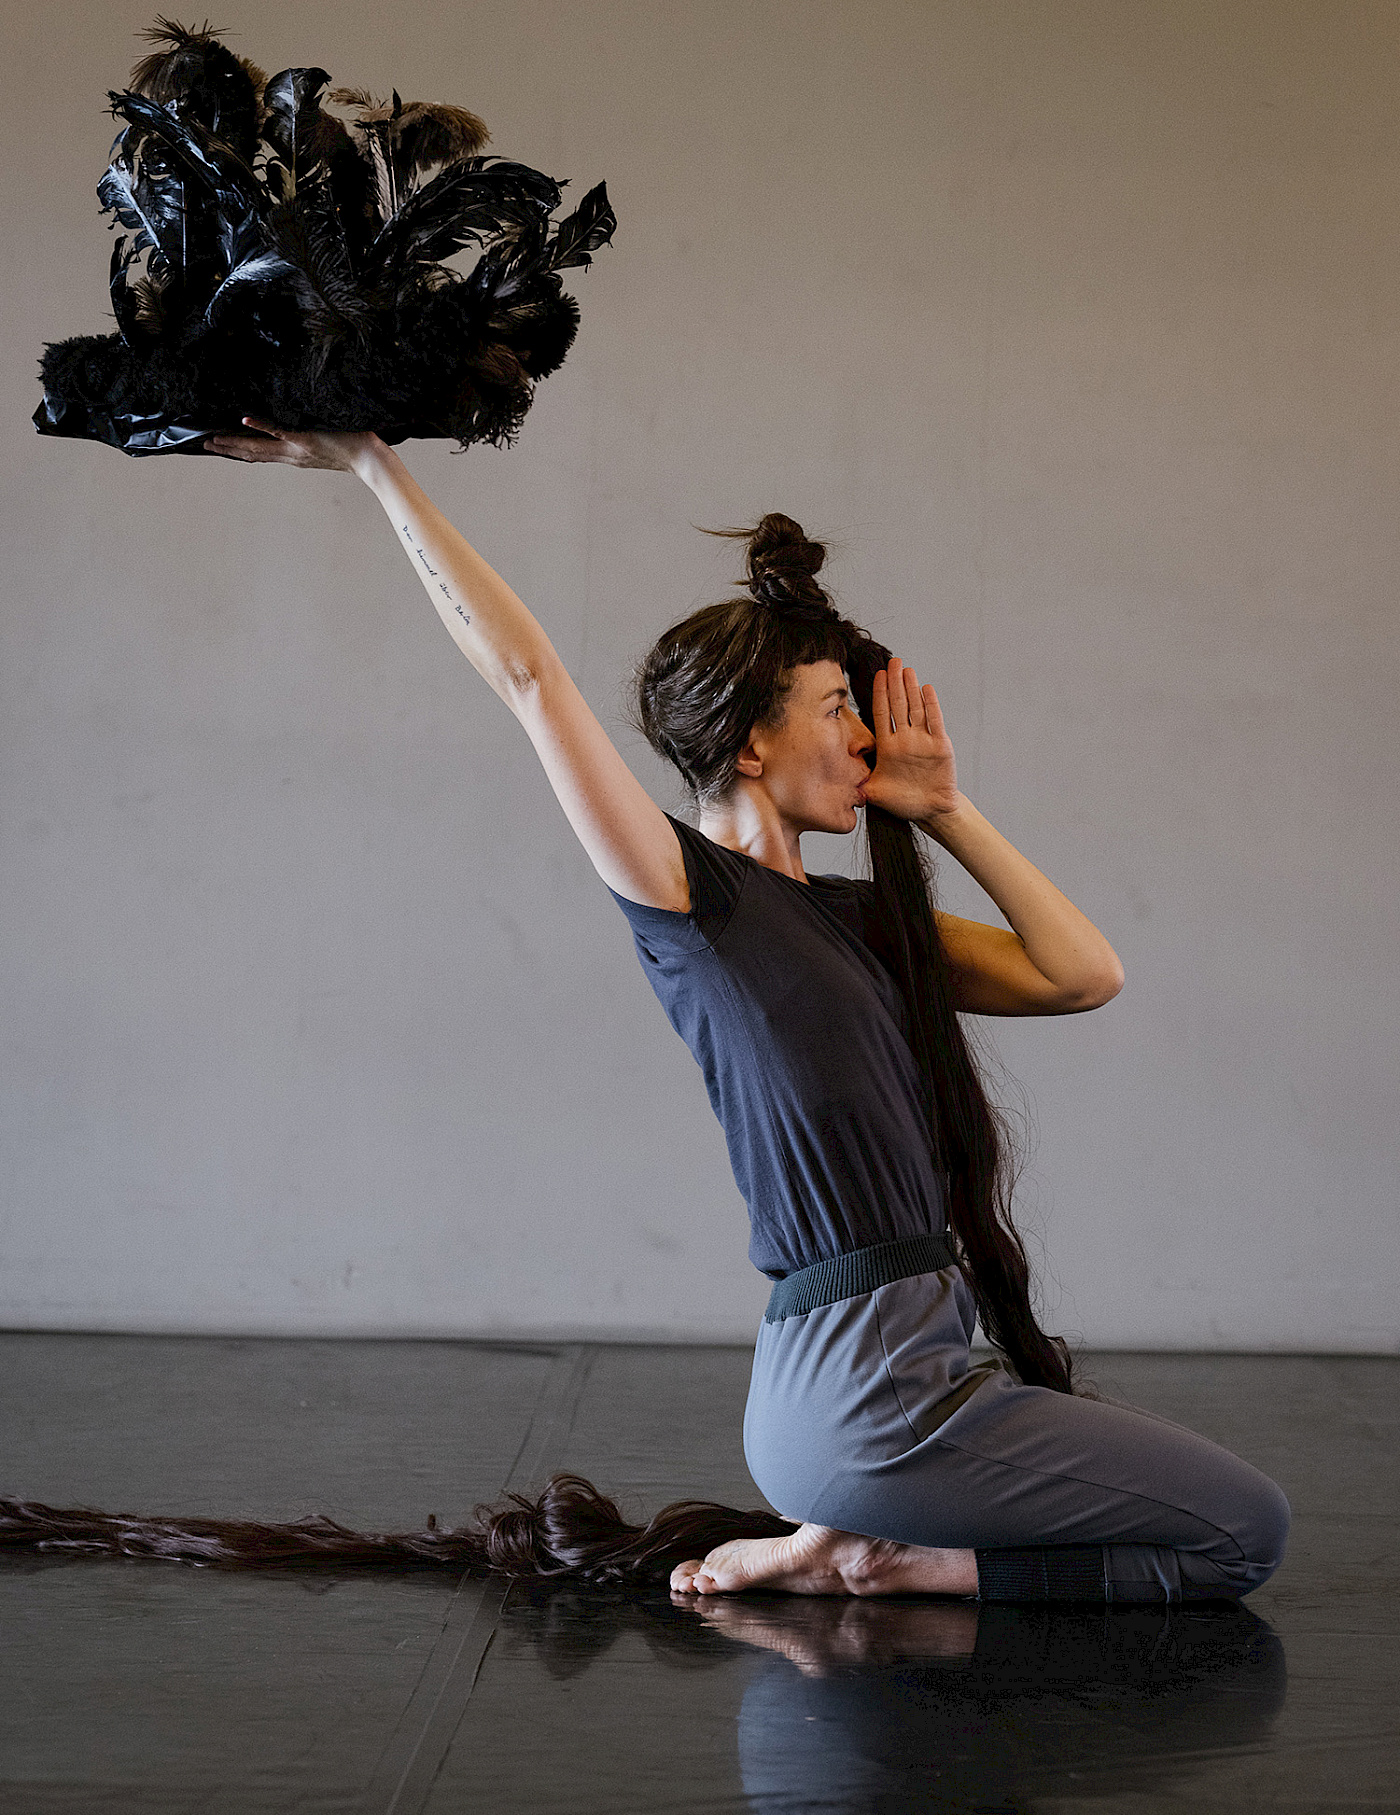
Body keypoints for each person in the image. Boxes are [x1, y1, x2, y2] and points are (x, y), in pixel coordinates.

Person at [4, 421, 1289, 1603]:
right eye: (837, 711)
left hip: (907, 1375)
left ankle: (844, 1544)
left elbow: (1080, 975)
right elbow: (527, 679)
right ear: (746, 744)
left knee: (1217, 1526)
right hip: (863, 1397)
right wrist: (374, 467)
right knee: (1245, 1536)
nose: (860, 743)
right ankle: (885, 1563)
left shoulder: (855, 923)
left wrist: (942, 805)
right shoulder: (695, 901)